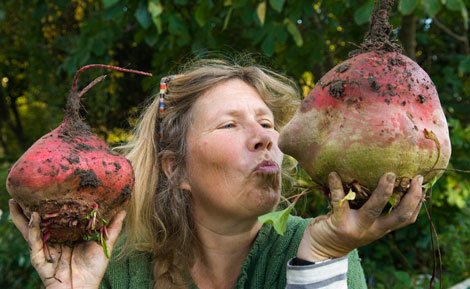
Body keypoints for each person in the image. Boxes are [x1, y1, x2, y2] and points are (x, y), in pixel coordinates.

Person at [9, 57, 425, 289]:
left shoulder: (318, 246)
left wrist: (319, 260)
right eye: (230, 125)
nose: (265, 139)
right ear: (176, 169)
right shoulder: (119, 270)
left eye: (267, 124)